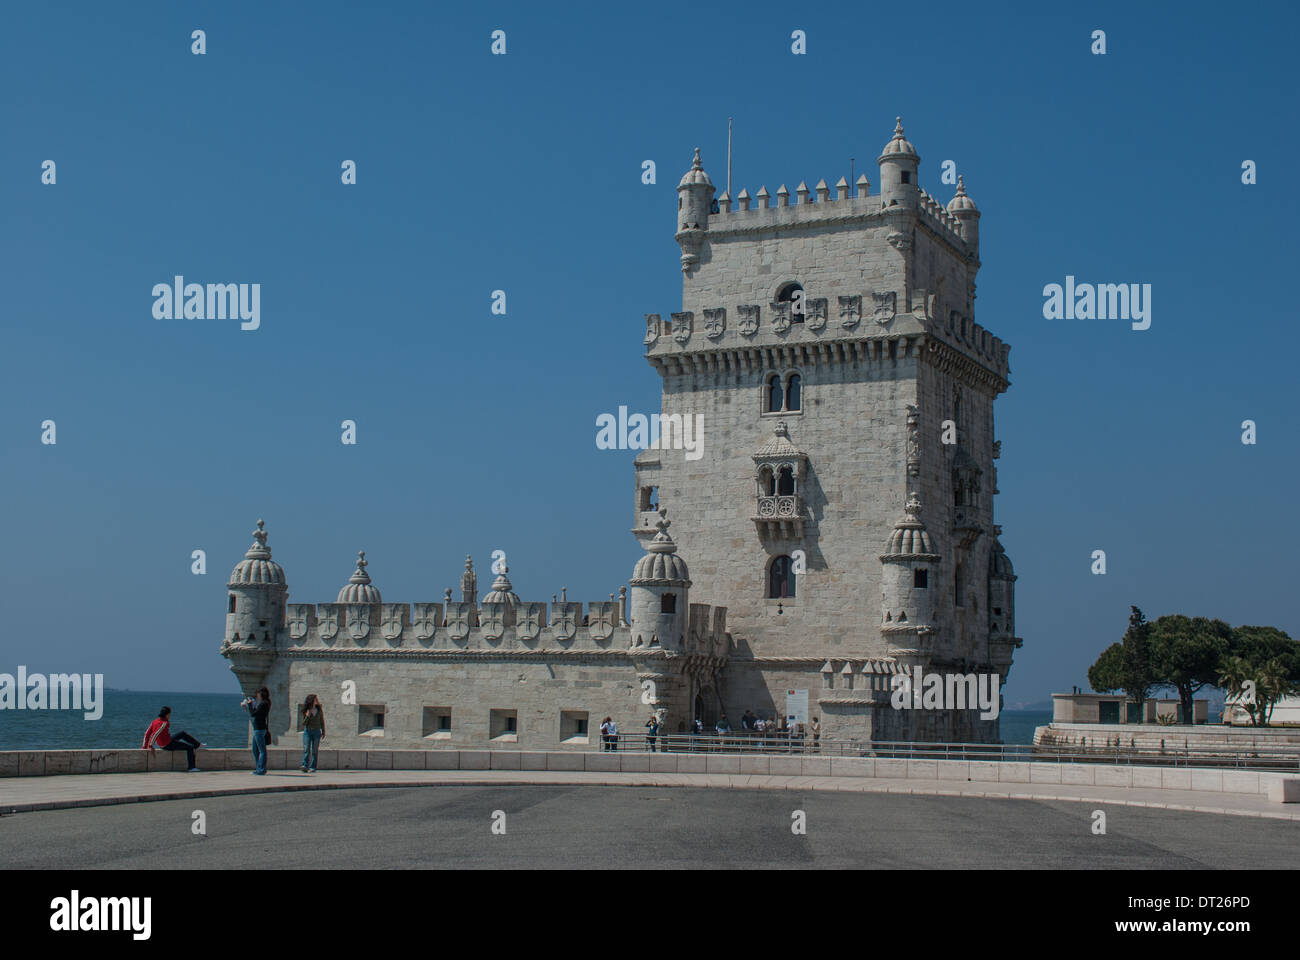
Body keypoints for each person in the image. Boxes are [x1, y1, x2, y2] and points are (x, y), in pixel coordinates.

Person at [142, 706, 204, 772]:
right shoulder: (164, 723)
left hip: (167, 741)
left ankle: (198, 744)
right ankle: (191, 768)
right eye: (170, 714)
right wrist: (151, 745)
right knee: (190, 747)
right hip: (167, 745)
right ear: (167, 714)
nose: (170, 716)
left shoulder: (154, 721)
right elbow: (156, 734)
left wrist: (144, 747)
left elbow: (146, 733)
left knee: (182, 733)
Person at [243, 687, 272, 775]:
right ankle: (259, 768)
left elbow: (253, 714)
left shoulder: (264, 703)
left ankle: (261, 769)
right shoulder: (265, 703)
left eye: (258, 694)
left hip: (259, 729)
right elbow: (257, 713)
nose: (257, 696)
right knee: (255, 749)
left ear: (261, 694)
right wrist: (253, 706)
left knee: (262, 750)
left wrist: (250, 705)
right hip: (258, 728)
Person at [300, 693, 325, 773]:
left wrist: (323, 731)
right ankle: (305, 765)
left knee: (315, 750)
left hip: (317, 731)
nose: (317, 700)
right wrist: (308, 716)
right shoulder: (307, 710)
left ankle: (313, 767)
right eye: (315, 699)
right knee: (306, 749)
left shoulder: (319, 709)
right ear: (312, 701)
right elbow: (303, 723)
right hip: (307, 731)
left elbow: (322, 720)